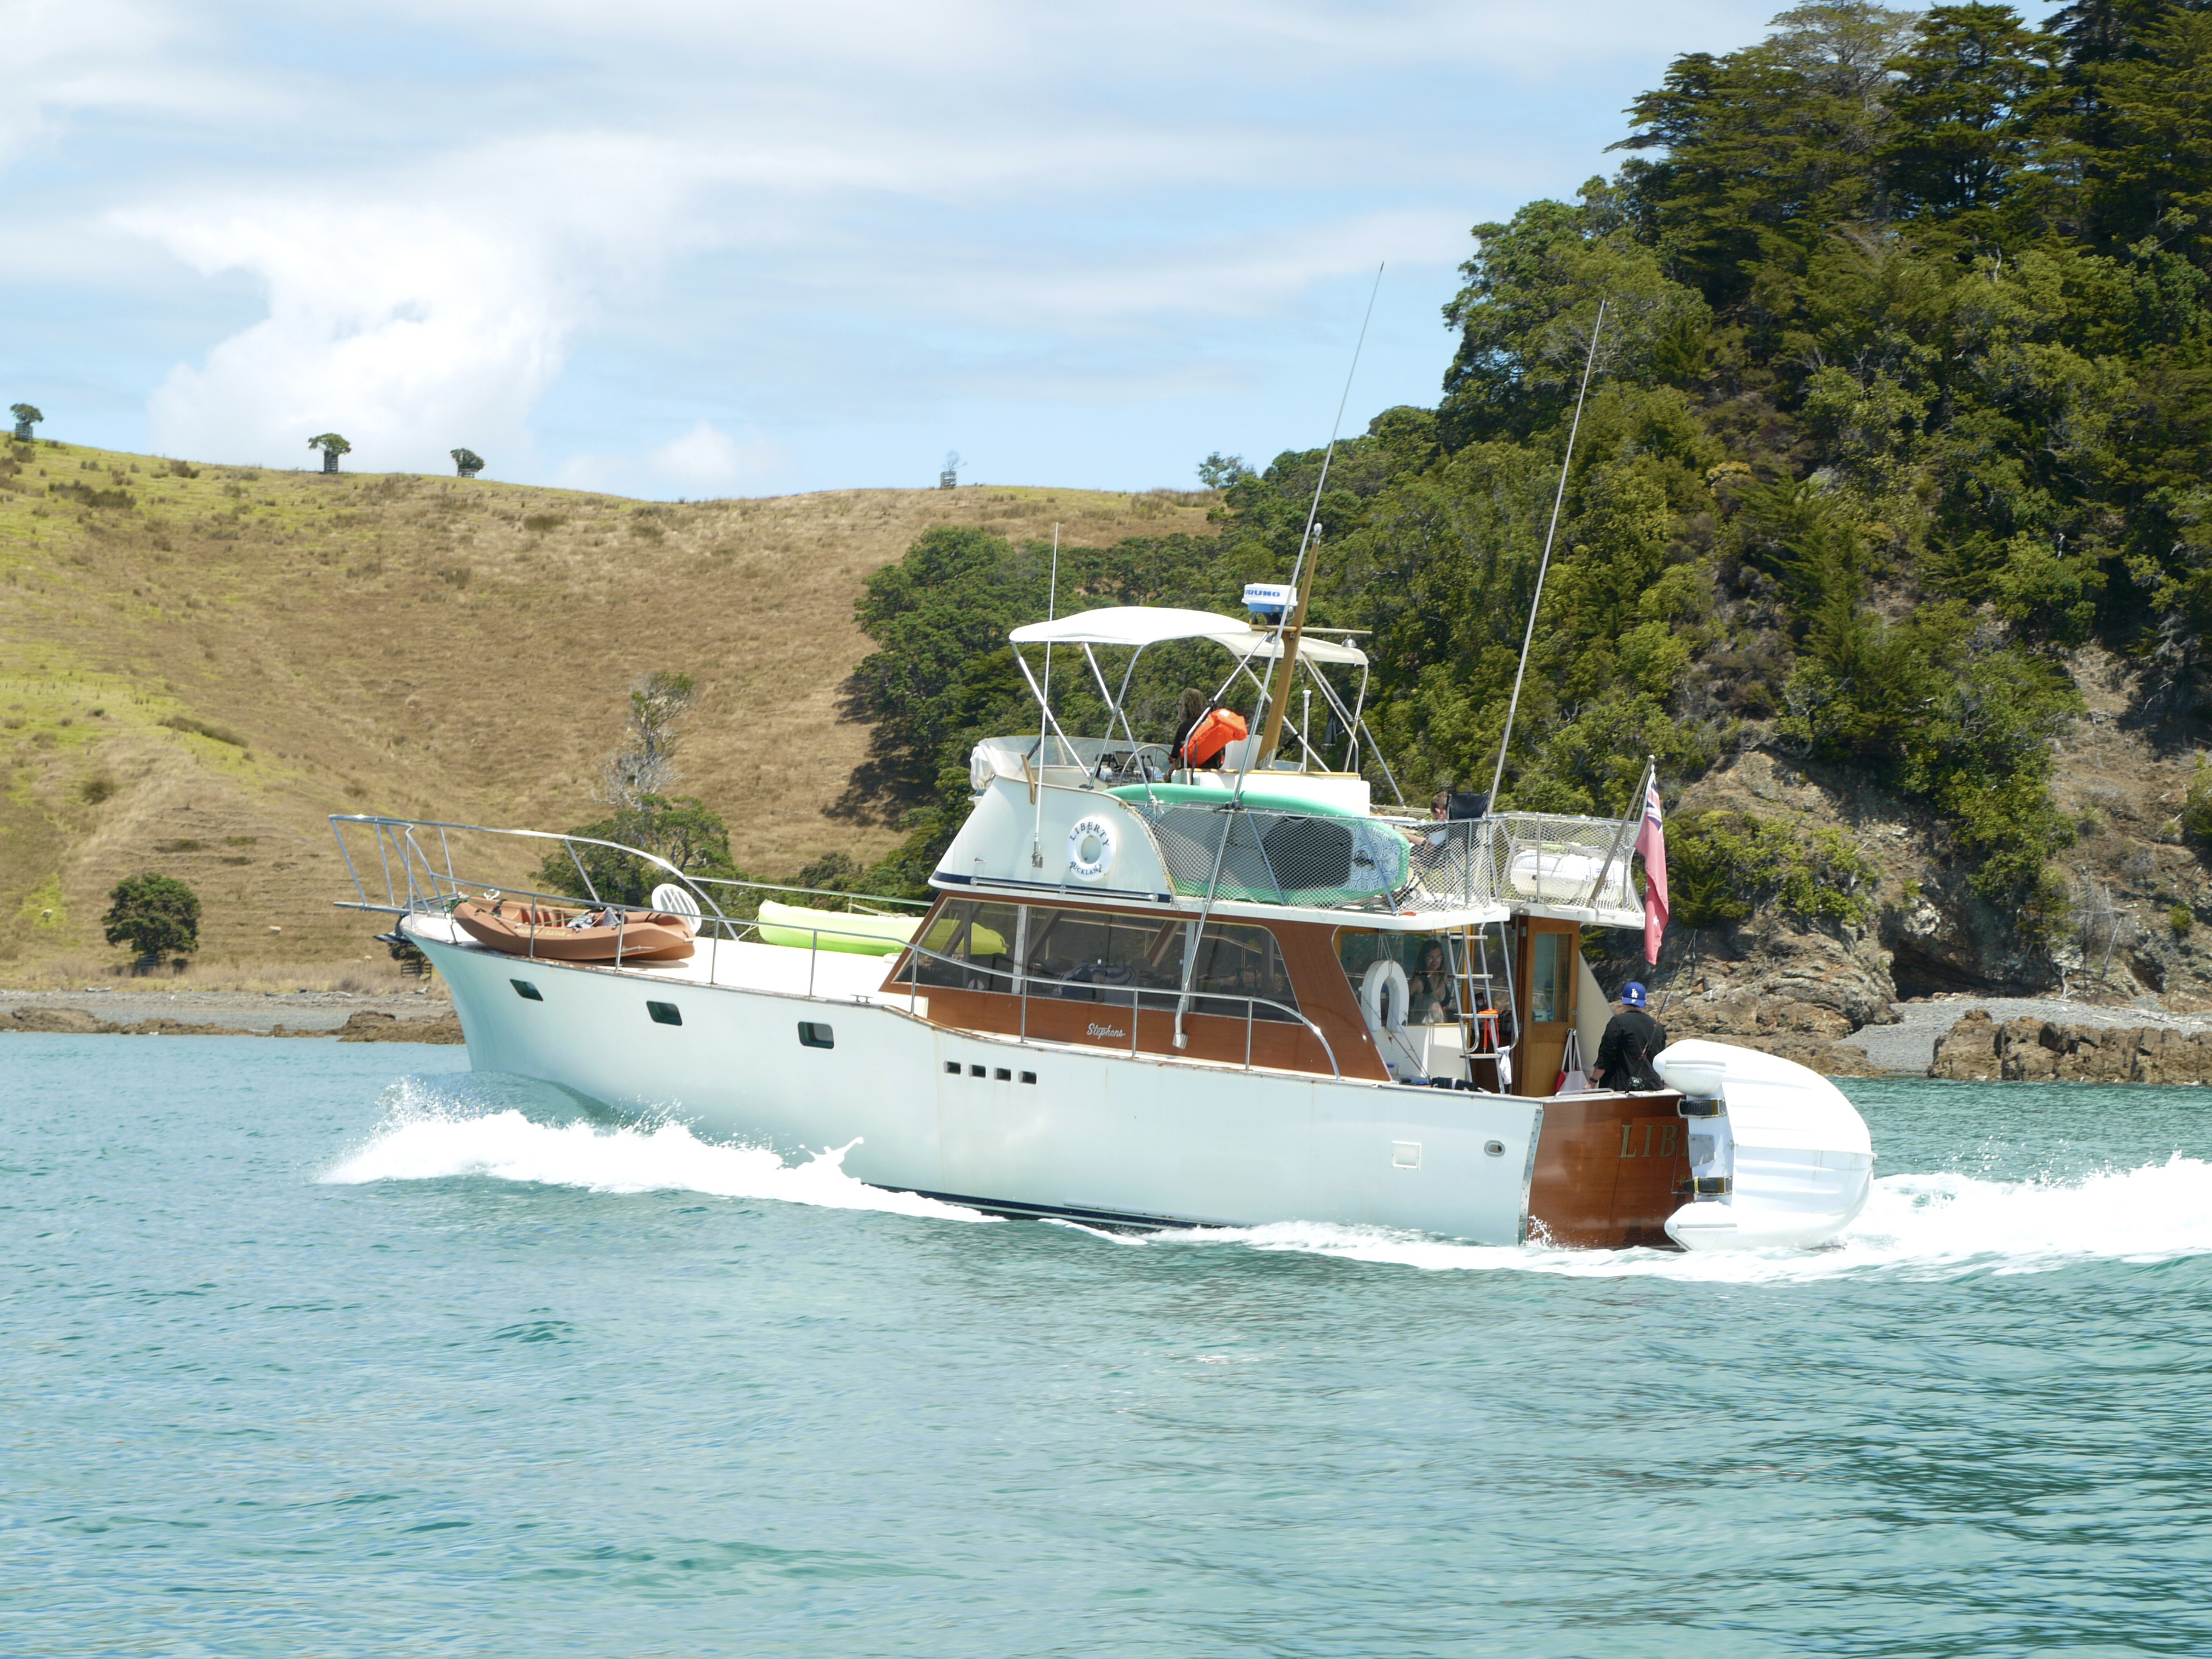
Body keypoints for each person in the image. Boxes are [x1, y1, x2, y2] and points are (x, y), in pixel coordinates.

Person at [1592, 982, 1667, 1091]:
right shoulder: (1658, 1027)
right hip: (1652, 1088)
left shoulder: (1617, 1022)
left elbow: (1605, 1057)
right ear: (1644, 1002)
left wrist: (1592, 1082)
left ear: (1623, 1000)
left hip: (1621, 1089)